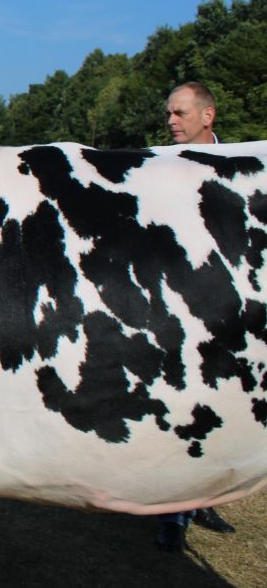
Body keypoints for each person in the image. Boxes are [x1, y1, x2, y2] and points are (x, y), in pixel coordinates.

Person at [155, 81, 236, 551]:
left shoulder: (242, 167)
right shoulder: (160, 168)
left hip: (230, 307)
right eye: (169, 113)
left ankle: (203, 497)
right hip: (179, 306)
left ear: (208, 116)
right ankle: (173, 511)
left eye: (180, 113)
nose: (171, 121)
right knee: (182, 405)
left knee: (218, 406)